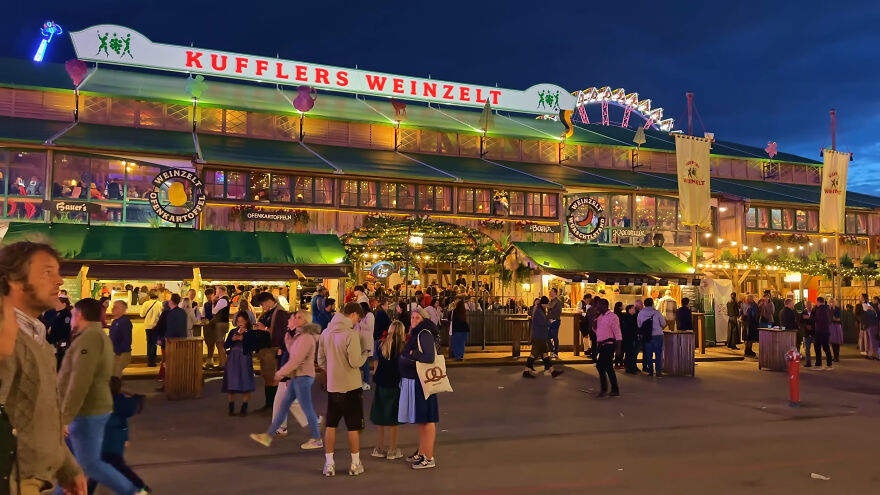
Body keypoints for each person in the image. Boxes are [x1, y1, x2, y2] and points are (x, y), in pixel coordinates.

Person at [0, 242, 85, 495]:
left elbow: (43, 413)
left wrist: (67, 468)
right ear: (14, 281)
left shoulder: (36, 335)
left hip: (35, 480)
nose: (59, 281)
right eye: (47, 272)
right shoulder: (6, 335)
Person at [58, 298, 142, 495]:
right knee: (81, 462)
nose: (71, 319)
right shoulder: (94, 336)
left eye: (72, 315)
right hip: (91, 409)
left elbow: (80, 380)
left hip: (87, 410)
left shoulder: (90, 338)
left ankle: (131, 490)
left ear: (79, 315)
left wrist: (65, 416)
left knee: (89, 464)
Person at [250, 319, 323, 450]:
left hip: (300, 377)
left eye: (293, 318)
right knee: (282, 405)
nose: (289, 320)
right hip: (294, 376)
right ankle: (271, 434)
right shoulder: (294, 335)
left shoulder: (305, 338)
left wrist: (282, 374)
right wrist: (287, 343)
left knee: (303, 407)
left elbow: (296, 360)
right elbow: (291, 354)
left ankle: (317, 435)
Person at [318, 302, 367, 477]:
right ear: (353, 314)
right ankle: (355, 464)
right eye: (357, 319)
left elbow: (321, 360)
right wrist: (365, 355)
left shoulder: (326, 332)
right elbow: (354, 362)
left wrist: (331, 370)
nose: (357, 323)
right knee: (352, 426)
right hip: (351, 385)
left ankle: (329, 464)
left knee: (331, 425)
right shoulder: (350, 334)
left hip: (333, 385)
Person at [86, 377, 149, 494]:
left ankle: (140, 487)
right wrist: (125, 438)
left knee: (113, 467)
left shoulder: (106, 404)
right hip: (112, 443)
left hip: (108, 443)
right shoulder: (117, 404)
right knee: (102, 468)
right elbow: (123, 422)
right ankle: (140, 487)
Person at [399, 308, 441, 470]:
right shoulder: (419, 333)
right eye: (412, 317)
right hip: (418, 381)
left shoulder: (424, 334)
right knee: (422, 420)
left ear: (423, 319)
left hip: (424, 381)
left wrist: (412, 352)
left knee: (427, 420)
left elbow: (429, 357)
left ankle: (429, 457)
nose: (413, 320)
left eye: (417, 317)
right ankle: (423, 452)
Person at [369, 320, 405, 460]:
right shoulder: (404, 346)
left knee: (381, 415)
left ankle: (380, 447)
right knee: (394, 417)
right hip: (397, 383)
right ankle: (392, 449)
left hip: (382, 383)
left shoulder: (380, 344)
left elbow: (376, 364)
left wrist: (376, 375)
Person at [254, 292, 288, 413]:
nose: (262, 307)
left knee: (273, 378)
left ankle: (273, 407)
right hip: (265, 349)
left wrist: (265, 328)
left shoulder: (279, 312)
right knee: (268, 377)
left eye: (262, 304)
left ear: (269, 301)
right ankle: (269, 405)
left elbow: (282, 332)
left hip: (272, 349)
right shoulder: (270, 312)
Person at [222, 311, 258, 416]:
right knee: (231, 381)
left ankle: (244, 406)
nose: (240, 323)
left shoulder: (250, 332)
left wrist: (244, 339)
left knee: (245, 380)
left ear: (247, 321)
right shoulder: (233, 331)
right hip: (233, 357)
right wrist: (233, 339)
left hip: (245, 357)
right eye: (238, 321)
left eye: (242, 321)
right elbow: (226, 345)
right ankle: (231, 406)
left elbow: (254, 346)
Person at [522, 296, 564, 379]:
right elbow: (542, 323)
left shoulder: (539, 310)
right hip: (539, 336)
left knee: (545, 354)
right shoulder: (538, 311)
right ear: (544, 304)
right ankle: (526, 371)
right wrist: (550, 322)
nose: (547, 305)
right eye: (547, 303)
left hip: (541, 335)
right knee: (533, 354)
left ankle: (552, 371)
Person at [594, 298, 621, 397]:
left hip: (609, 344)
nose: (597, 307)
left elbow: (617, 333)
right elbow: (596, 330)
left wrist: (618, 349)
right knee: (609, 367)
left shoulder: (613, 317)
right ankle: (614, 389)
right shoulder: (600, 317)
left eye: (598, 305)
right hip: (602, 344)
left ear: (604, 306)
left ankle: (604, 389)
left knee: (600, 366)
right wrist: (595, 318)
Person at [637, 298, 666, 377]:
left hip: (647, 335)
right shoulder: (657, 313)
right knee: (658, 354)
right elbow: (663, 323)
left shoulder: (640, 313)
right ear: (652, 303)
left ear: (644, 304)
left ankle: (650, 371)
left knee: (648, 354)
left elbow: (639, 325)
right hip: (658, 335)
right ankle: (658, 371)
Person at [46, 296, 73, 370]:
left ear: (64, 304)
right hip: (54, 340)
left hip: (61, 341)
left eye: (57, 303)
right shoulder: (57, 313)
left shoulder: (66, 314)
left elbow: (65, 329)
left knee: (60, 360)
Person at [109, 300, 133, 377]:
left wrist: (118, 352)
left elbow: (127, 340)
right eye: (113, 306)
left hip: (122, 353)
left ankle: (114, 388)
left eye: (116, 307)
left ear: (123, 309)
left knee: (115, 374)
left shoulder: (125, 322)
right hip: (114, 353)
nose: (113, 309)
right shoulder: (115, 322)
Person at [139, 290, 162, 367]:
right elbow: (162, 315)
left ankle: (149, 361)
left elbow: (142, 315)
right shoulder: (160, 304)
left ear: (149, 296)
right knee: (154, 344)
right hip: (156, 326)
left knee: (149, 343)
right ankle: (153, 361)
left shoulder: (146, 303)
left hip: (147, 326)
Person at [209, 286, 231, 370]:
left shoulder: (222, 300)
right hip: (222, 323)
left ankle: (223, 364)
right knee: (220, 343)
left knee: (219, 344)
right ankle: (223, 363)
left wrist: (213, 302)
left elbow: (214, 311)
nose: (216, 293)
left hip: (221, 324)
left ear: (221, 291)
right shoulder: (224, 300)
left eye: (217, 291)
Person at [356, 302, 376, 391]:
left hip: (366, 342)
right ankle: (363, 381)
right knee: (363, 363)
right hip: (360, 342)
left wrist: (359, 321)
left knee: (365, 363)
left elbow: (369, 327)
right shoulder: (363, 316)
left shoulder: (370, 315)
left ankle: (367, 382)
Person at [812, 297, 833, 370]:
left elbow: (818, 319)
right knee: (826, 346)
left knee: (817, 346)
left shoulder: (820, 309)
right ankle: (829, 362)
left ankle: (818, 363)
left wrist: (811, 317)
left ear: (818, 302)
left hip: (820, 330)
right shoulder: (828, 309)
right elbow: (830, 319)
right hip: (826, 330)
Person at [620, 304, 639, 374]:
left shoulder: (632, 317)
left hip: (630, 337)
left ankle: (629, 367)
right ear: (629, 310)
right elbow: (630, 328)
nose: (635, 310)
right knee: (630, 353)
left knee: (630, 353)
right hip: (629, 337)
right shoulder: (627, 317)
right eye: (633, 309)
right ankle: (630, 368)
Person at [860, 294, 879, 360]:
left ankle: (873, 354)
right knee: (868, 340)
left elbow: (873, 314)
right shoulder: (866, 305)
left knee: (871, 340)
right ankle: (870, 354)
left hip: (871, 325)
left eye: (861, 297)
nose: (860, 298)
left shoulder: (867, 305)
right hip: (868, 325)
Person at [546, 288, 563, 358]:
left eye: (551, 291)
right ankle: (552, 350)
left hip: (555, 321)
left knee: (555, 337)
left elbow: (558, 312)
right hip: (549, 321)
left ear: (555, 293)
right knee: (547, 336)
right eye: (549, 291)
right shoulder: (551, 301)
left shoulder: (558, 301)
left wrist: (553, 319)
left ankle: (555, 352)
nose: (550, 293)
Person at [800, 300, 815, 366]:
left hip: (814, 332)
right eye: (807, 305)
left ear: (812, 305)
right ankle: (808, 362)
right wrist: (805, 326)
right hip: (806, 333)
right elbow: (800, 322)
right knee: (807, 349)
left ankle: (818, 361)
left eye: (810, 305)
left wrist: (809, 318)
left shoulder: (815, 312)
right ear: (806, 305)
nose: (809, 306)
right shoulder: (803, 312)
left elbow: (817, 320)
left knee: (817, 348)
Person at [829, 298, 843, 363]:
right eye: (830, 302)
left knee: (836, 342)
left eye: (833, 302)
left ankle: (837, 357)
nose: (831, 303)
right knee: (832, 342)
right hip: (831, 326)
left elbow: (838, 318)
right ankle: (834, 356)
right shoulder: (829, 309)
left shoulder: (837, 309)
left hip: (836, 326)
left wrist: (834, 317)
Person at [612, 302, 625, 369]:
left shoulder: (614, 314)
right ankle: (619, 363)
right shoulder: (620, 315)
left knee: (618, 349)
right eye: (622, 305)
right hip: (619, 334)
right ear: (620, 307)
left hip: (615, 334)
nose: (623, 306)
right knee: (620, 349)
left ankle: (618, 363)